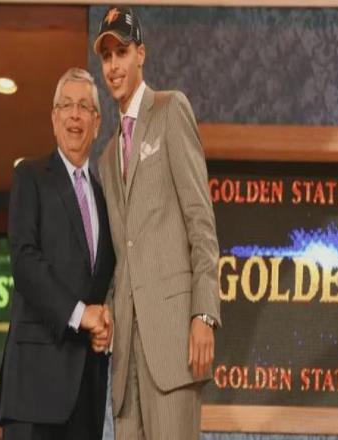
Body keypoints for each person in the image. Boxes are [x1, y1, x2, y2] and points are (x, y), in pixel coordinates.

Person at [91, 6, 221, 440]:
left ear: (141, 55)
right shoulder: (106, 157)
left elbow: (201, 222)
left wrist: (204, 313)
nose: (113, 66)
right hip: (126, 358)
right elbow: (122, 255)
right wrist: (107, 315)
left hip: (173, 343)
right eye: (106, 57)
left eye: (122, 53)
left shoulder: (170, 109)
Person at [0, 67, 115, 440]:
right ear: (53, 117)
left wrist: (107, 322)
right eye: (66, 105)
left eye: (84, 107)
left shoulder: (105, 197)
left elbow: (107, 279)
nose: (75, 115)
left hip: (87, 392)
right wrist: (81, 314)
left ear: (97, 123)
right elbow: (24, 261)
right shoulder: (30, 177)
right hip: (34, 389)